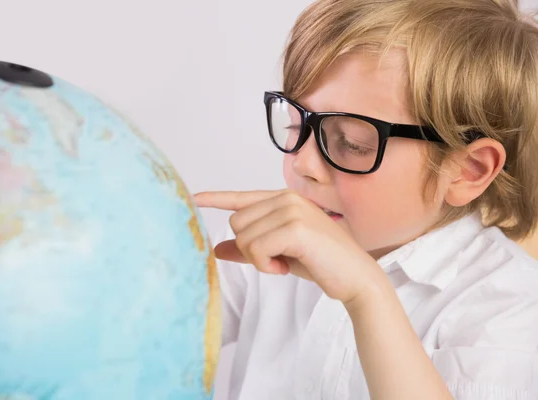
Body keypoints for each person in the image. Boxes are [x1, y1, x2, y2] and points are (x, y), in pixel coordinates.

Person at [194, 0, 538, 398]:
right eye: (295, 121)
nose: (302, 162)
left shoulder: (508, 309)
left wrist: (366, 292)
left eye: (351, 142)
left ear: (468, 170)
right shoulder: (272, 240)